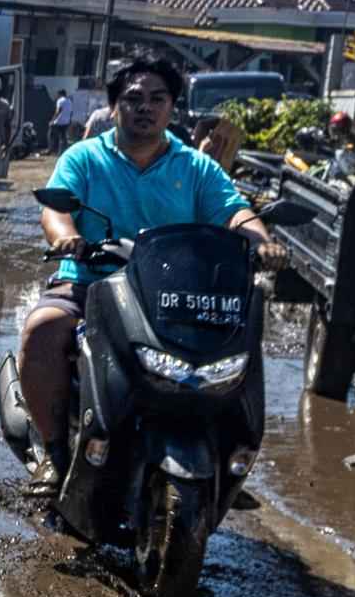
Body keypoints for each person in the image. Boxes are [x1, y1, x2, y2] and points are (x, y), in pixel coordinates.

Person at [17, 60, 274, 493]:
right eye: (133, 98)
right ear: (114, 107)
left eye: (157, 99)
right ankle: (54, 453)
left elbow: (235, 212)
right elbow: (56, 210)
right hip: (91, 282)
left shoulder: (196, 167)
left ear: (172, 107)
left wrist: (261, 243)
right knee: (43, 329)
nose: (145, 108)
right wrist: (66, 237)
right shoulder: (84, 157)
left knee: (238, 343)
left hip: (174, 294)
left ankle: (228, 454)